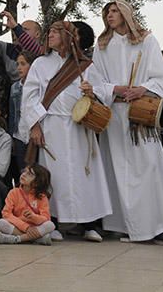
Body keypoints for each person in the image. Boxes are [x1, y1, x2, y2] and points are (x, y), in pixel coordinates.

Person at [90, 0, 163, 246]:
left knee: (151, 167)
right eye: (107, 12)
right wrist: (115, 89)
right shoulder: (102, 46)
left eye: (115, 10)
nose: (110, 15)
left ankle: (161, 226)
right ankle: (125, 225)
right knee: (118, 169)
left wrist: (142, 89)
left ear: (126, 14)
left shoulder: (146, 40)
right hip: (115, 116)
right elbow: (96, 82)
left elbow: (161, 77)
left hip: (139, 114)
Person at [22, 21, 110, 243]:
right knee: (54, 175)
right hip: (51, 127)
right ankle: (53, 222)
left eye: (54, 32)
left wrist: (92, 91)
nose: (49, 36)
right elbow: (29, 97)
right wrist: (34, 126)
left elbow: (103, 92)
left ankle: (90, 225)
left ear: (68, 37)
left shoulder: (84, 65)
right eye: (49, 32)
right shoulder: (40, 64)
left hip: (79, 127)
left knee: (85, 174)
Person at [0, 164, 55, 245]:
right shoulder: (13, 192)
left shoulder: (42, 196)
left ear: (37, 182)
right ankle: (37, 239)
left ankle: (17, 239)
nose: (24, 174)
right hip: (18, 227)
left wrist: (33, 217)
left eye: (29, 174)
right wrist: (26, 227)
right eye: (24, 171)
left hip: (35, 228)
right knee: (1, 223)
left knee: (50, 225)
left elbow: (46, 218)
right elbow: (6, 213)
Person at [8, 50, 38, 181]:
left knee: (36, 171)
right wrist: (11, 136)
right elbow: (12, 112)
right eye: (17, 64)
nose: (19, 67)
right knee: (23, 171)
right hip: (19, 135)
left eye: (23, 64)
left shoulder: (39, 86)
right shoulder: (15, 87)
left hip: (33, 134)